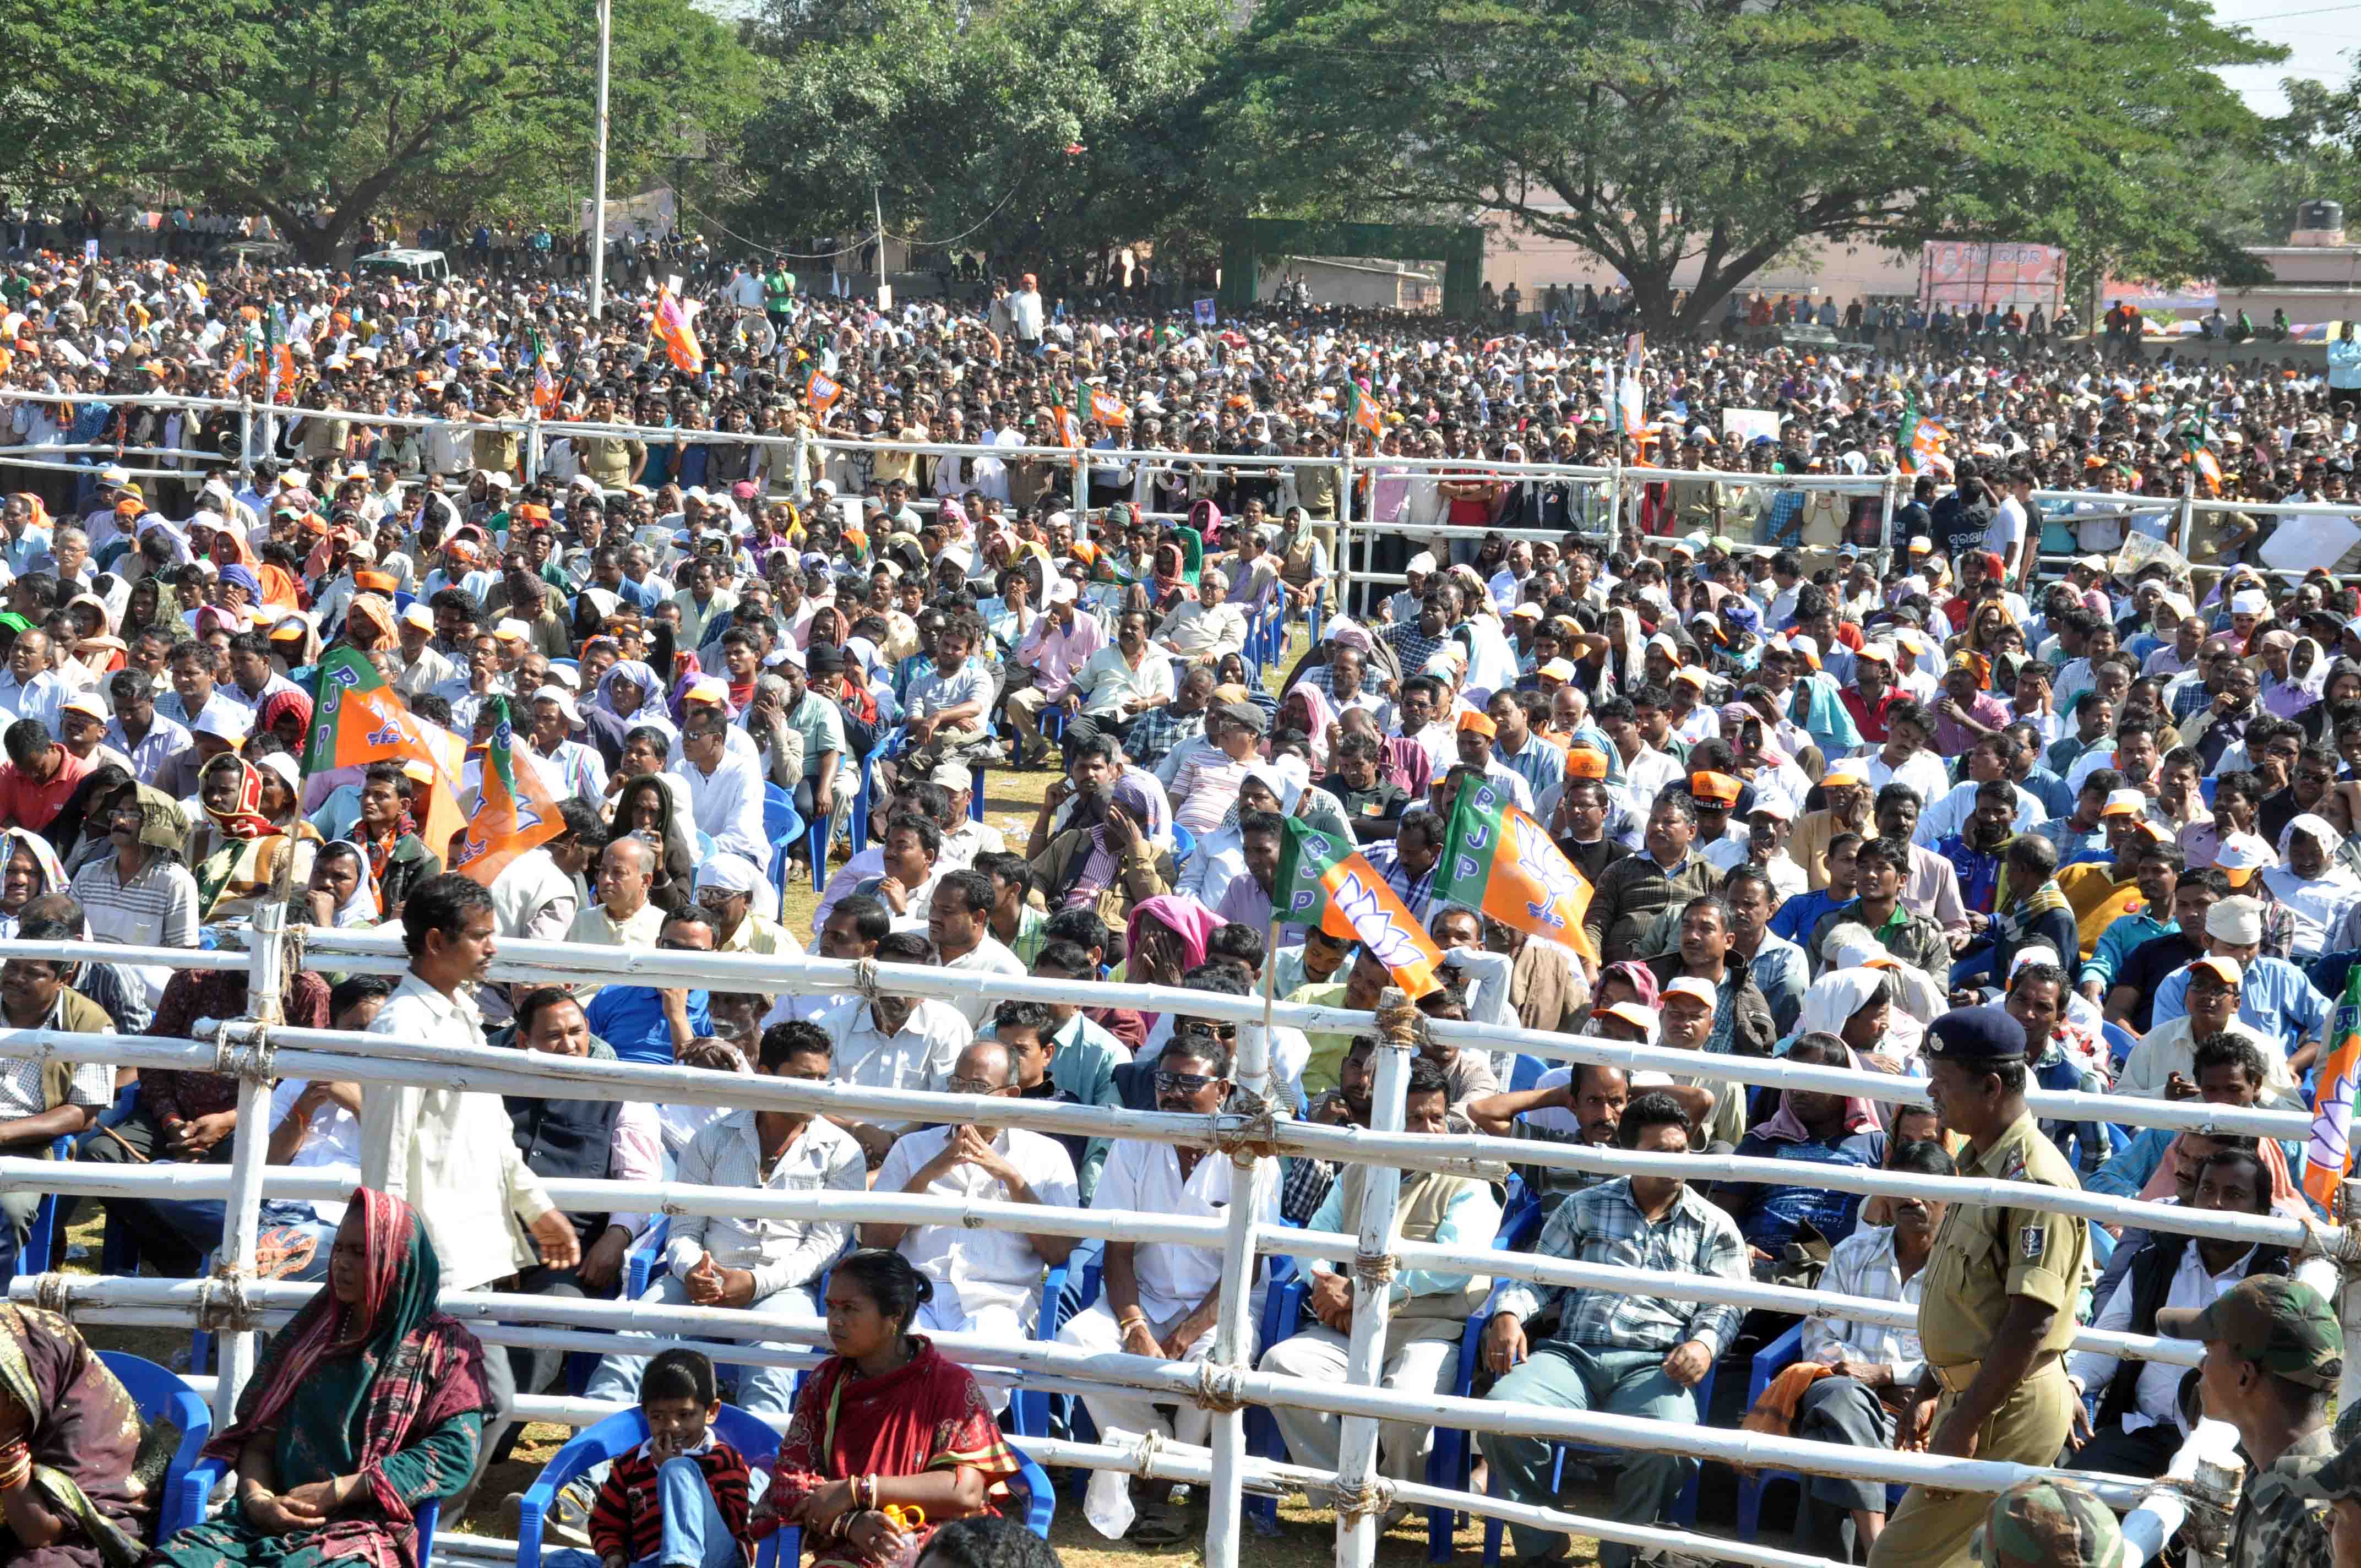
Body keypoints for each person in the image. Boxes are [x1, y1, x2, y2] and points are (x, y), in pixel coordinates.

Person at [358, 874, 579, 1517]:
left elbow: (493, 1137)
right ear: (436, 940)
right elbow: (387, 1151)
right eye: (480, 935)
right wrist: (392, 1255)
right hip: (429, 1253)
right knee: (478, 1401)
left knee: (470, 1402)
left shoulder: (459, 1016)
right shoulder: (406, 1023)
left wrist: (537, 1208)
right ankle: (409, 1527)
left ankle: (410, 1528)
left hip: (459, 1252)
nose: (492, 947)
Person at [148, 1189, 499, 1568]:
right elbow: (259, 1435)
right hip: (261, 1523)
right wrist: (257, 1500)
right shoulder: (310, 1334)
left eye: (361, 1253)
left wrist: (337, 1492)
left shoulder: (443, 1349)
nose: (343, 1264)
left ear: (399, 1261)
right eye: (340, 1250)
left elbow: (452, 1453)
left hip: (361, 1531)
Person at [1478, 1091, 1747, 1568]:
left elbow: (1726, 1306)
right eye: (1659, 1152)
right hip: (1572, 1356)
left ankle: (1622, 1551)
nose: (1674, 1161)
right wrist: (1509, 1314)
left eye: (1681, 1150)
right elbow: (1540, 1276)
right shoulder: (1585, 1206)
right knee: (1502, 1415)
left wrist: (1704, 1345)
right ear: (1628, 1153)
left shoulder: (1715, 1225)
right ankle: (1542, 1541)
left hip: (1655, 1364)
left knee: (1672, 1443)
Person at [1864, 1007, 2090, 1568]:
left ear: (1990, 1086)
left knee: (1898, 1560)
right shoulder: (1981, 1162)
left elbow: (2030, 1320)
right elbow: (1975, 1304)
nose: (1930, 1091)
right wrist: (1931, 1381)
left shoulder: (2032, 1179)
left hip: (2000, 1410)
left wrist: (1964, 1423)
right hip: (1979, 1400)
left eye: (1942, 1080)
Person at [1053, 1030, 1280, 1543]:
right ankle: (1162, 1457)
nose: (1173, 1092)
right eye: (1165, 1080)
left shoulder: (1253, 1156)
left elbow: (1248, 1265)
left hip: (1224, 1306)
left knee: (1217, 1362)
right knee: (1076, 1343)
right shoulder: (1136, 1141)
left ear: (1221, 1090)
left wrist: (1188, 1331)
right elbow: (1118, 1248)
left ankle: (1165, 1486)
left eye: (1187, 1082)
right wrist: (1133, 1323)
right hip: (1144, 1298)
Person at [585, 1021, 863, 1419]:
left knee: (770, 1373)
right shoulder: (713, 1138)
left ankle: (754, 1480)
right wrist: (692, 1270)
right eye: (804, 1078)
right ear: (766, 1075)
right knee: (630, 1345)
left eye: (822, 1078)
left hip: (783, 1289)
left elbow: (825, 1247)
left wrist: (756, 1283)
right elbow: (682, 1229)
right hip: (699, 1280)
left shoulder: (842, 1152)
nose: (817, 1089)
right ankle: (586, 1476)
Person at [1261, 1056, 1499, 1507]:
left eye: (1437, 1118)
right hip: (1350, 1325)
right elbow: (1317, 1235)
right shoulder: (1359, 1168)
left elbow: (1451, 1267)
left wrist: (1361, 1291)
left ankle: (1391, 1499)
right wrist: (1325, 1281)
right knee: (1282, 1368)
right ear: (1389, 1120)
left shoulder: (1467, 1178)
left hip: (1429, 1328)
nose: (1429, 1130)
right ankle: (1349, 1495)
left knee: (1404, 1406)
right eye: (1414, 1118)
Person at [752, 1249, 1026, 1568]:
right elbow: (790, 1481)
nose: (835, 1320)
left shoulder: (950, 1386)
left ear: (894, 1315)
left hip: (941, 1548)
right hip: (851, 1550)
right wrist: (851, 1523)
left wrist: (858, 1491)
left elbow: (965, 1492)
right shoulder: (826, 1383)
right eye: (830, 1307)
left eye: (851, 1308)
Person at [2069, 1146, 2327, 1479]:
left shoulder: (2280, 1274)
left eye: (2234, 1194)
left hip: (2240, 1445)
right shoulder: (2156, 1260)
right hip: (2144, 1432)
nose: (2216, 1204)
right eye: (2207, 1190)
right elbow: (2108, 1338)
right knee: (2071, 1492)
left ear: (2263, 1210)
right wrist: (2073, 1385)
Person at [1783, 1139, 1956, 1564]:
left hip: (1926, 1406)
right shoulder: (1852, 1253)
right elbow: (1821, 1338)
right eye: (1900, 1185)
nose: (1911, 1199)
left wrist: (1890, 1376)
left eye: (1925, 1187)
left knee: (1825, 1436)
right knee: (1842, 1398)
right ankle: (1878, 1547)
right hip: (1846, 1389)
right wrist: (1863, 1378)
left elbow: (1963, 1352)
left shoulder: (1964, 1267)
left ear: (1953, 1195)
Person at [863, 1038, 1078, 1338]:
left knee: (983, 1350)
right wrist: (929, 1173)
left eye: (977, 1088)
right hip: (916, 1295)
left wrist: (1011, 1178)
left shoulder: (1047, 1155)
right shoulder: (912, 1148)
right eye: (956, 1084)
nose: (962, 1097)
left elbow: (1059, 1252)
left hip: (1001, 1301)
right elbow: (874, 1240)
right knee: (900, 1349)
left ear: (1011, 1095)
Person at [2157, 1276, 2341, 1568]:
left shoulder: (2319, 1528)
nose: (2201, 1365)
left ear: (2244, 1376)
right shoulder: (2274, 1479)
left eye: (2209, 1351)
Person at [554, 1348, 753, 1568]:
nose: (672, 1426)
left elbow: (736, 1522)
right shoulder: (631, 1465)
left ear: (711, 1411)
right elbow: (605, 1522)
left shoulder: (724, 1458)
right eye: (658, 1417)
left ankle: (681, 1563)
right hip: (652, 1563)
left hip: (717, 1560)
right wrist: (614, 1553)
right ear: (645, 1414)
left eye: (685, 1415)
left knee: (679, 1470)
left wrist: (675, 1470)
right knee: (562, 1561)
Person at [0, 1299, 153, 1566]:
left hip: (83, 1538)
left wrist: (7, 1446)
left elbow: (41, 1535)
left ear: (35, 1381)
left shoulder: (89, 1441)